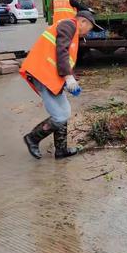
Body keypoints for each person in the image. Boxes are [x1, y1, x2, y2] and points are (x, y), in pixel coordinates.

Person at [20, 10, 101, 160]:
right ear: (82, 22)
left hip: (51, 75)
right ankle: (32, 138)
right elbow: (61, 51)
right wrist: (68, 77)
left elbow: (64, 57)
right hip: (43, 73)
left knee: (64, 111)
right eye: (89, 27)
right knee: (60, 115)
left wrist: (71, 78)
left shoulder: (71, 29)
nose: (89, 32)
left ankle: (61, 150)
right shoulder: (69, 25)